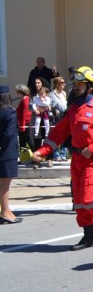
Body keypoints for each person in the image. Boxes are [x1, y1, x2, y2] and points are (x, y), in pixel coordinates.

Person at [31, 66, 93, 250]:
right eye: (75, 84)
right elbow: (58, 133)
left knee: (89, 199)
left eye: (80, 84)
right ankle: (89, 236)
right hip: (77, 158)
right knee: (79, 201)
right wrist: (42, 151)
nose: (76, 87)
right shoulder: (74, 109)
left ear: (90, 86)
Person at [0, 86, 20, 224]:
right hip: (7, 152)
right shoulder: (10, 113)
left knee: (3, 184)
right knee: (5, 184)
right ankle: (5, 212)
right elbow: (8, 134)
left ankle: (7, 210)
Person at [15, 84, 34, 153]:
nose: (16, 93)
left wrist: (22, 126)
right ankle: (24, 156)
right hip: (22, 122)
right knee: (22, 140)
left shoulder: (25, 99)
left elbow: (24, 113)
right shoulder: (24, 98)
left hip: (25, 122)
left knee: (28, 139)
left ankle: (36, 154)